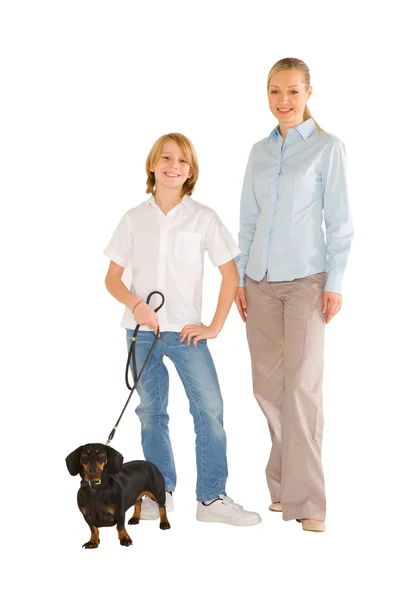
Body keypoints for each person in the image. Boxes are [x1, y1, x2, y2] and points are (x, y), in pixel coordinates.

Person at [104, 132, 261, 526]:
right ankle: (159, 494)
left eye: (183, 162)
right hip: (141, 334)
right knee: (152, 413)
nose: (174, 166)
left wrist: (214, 326)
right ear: (153, 163)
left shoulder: (203, 217)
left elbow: (230, 274)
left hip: (187, 334)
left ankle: (211, 499)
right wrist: (137, 306)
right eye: (167, 158)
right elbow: (112, 279)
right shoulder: (133, 218)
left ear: (191, 172)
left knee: (209, 411)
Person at [235, 58, 354, 532]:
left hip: (307, 282)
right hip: (259, 283)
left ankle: (310, 502)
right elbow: (247, 221)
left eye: (292, 92)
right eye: (274, 92)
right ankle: (282, 487)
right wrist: (242, 279)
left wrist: (336, 283)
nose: (283, 101)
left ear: (308, 93)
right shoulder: (258, 153)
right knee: (267, 389)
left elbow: (340, 224)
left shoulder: (328, 148)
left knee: (302, 390)